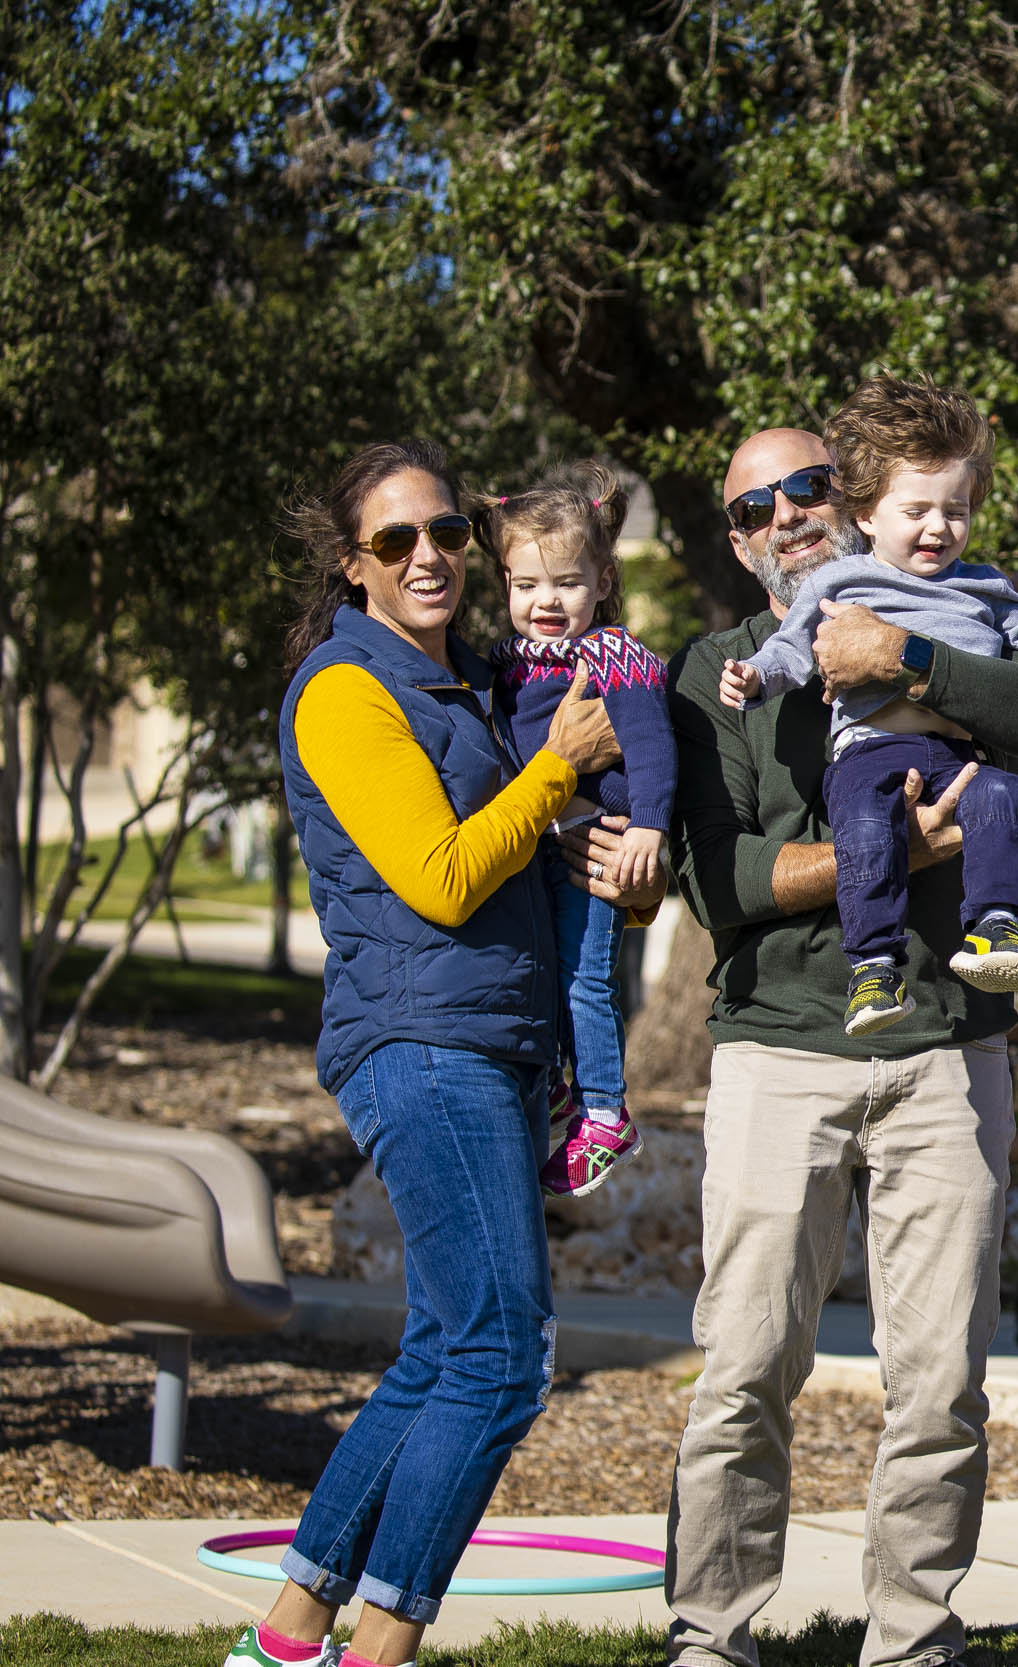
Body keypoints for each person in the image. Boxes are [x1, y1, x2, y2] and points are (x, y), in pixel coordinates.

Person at [658, 422, 1018, 1667]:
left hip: (951, 1047)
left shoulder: (944, 618)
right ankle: (711, 1632)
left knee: (940, 1375)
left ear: (846, 500)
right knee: (742, 1363)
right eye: (750, 506)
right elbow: (718, 878)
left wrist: (905, 653)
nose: (782, 513)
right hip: (780, 1047)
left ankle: (912, 1635)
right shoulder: (721, 667)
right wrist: (887, 859)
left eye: (805, 487)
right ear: (735, 542)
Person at [227, 439, 621, 1667]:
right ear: (354, 566)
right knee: (506, 1354)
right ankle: (384, 1641)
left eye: (445, 530)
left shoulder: (478, 682)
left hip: (485, 1041)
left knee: (449, 1346)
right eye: (395, 541)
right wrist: (561, 766)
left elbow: (527, 866)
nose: (429, 556)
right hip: (421, 1038)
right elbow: (444, 878)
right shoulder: (347, 690)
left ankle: (292, 1632)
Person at [717, 377, 1018, 1032]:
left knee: (1005, 797)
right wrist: (753, 678)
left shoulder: (981, 585)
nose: (938, 527)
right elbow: (789, 650)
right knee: (867, 829)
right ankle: (872, 966)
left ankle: (997, 928)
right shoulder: (841, 584)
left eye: (955, 511)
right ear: (870, 514)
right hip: (869, 755)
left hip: (955, 757)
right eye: (754, 508)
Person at [485, 462, 675, 1195]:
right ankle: (562, 1082)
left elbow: (653, 747)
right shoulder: (508, 665)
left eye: (566, 582)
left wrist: (649, 828)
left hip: (595, 841)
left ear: (601, 580)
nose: (545, 602)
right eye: (525, 585)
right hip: (534, 837)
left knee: (584, 977)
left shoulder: (613, 657)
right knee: (542, 964)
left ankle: (604, 1109)